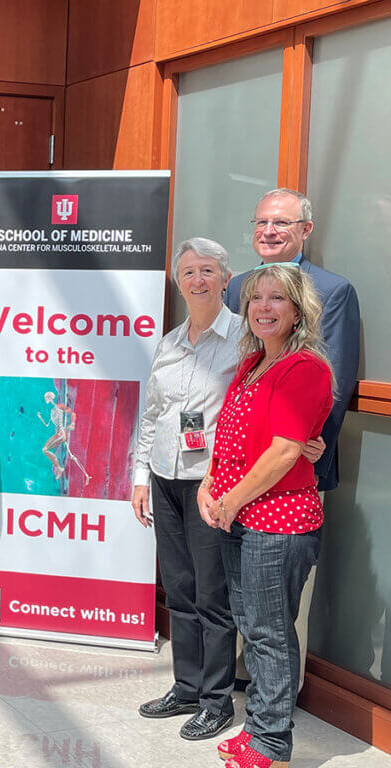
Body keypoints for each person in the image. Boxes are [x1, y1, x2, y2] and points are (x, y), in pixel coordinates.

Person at [225, 188, 360, 691]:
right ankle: (241, 684)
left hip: (294, 465)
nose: (269, 231)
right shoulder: (237, 284)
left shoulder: (333, 289)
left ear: (305, 230)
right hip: (236, 469)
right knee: (241, 590)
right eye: (262, 222)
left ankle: (279, 699)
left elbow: (337, 377)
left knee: (280, 603)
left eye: (282, 223)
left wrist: (306, 443)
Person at [201, 263, 334, 768]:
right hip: (239, 517)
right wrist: (211, 486)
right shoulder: (252, 363)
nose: (263, 307)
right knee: (253, 627)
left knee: (269, 632)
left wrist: (230, 502)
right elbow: (231, 441)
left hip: (276, 522)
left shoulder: (305, 367)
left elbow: (283, 451)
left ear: (297, 309)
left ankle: (271, 742)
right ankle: (260, 725)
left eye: (276, 299)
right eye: (256, 298)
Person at [131, 238, 241, 740]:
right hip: (164, 478)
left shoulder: (245, 338)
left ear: (226, 277)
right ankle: (187, 686)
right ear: (179, 282)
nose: (197, 280)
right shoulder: (170, 341)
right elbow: (151, 414)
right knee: (178, 589)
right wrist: (139, 476)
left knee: (212, 593)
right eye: (189, 272)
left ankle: (217, 700)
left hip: (211, 485)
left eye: (208, 270)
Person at [37, 390, 90, 487]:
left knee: (47, 450)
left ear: (50, 398)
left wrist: (72, 424)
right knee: (45, 449)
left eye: (46, 398)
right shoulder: (52, 411)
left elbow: (73, 413)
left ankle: (61, 468)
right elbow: (47, 425)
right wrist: (40, 418)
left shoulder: (59, 407)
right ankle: (60, 468)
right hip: (58, 433)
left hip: (62, 433)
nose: (45, 399)